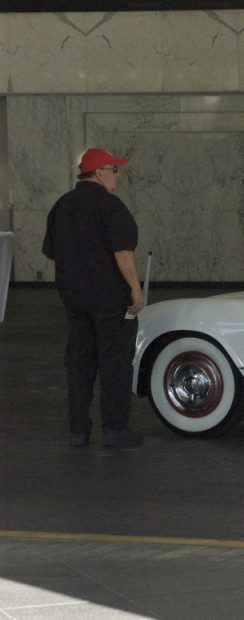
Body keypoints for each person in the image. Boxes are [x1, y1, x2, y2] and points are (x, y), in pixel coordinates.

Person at [42, 147, 144, 449]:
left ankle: (78, 430)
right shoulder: (110, 206)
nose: (117, 177)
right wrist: (135, 288)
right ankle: (115, 429)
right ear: (99, 172)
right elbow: (123, 252)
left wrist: (71, 284)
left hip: (74, 299)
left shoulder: (61, 206)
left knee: (79, 362)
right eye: (114, 170)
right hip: (111, 298)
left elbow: (54, 257)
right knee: (115, 361)